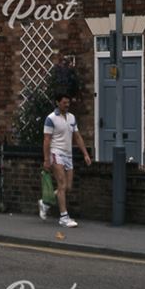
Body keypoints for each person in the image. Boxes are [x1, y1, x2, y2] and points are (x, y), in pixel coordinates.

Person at [40, 92, 91, 227]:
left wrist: (85, 154)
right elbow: (46, 140)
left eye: (68, 103)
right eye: (64, 102)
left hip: (68, 155)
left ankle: (45, 202)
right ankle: (64, 217)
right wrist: (46, 159)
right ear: (57, 102)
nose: (67, 105)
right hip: (56, 153)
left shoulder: (71, 118)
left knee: (68, 187)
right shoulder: (50, 119)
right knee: (61, 184)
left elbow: (77, 137)